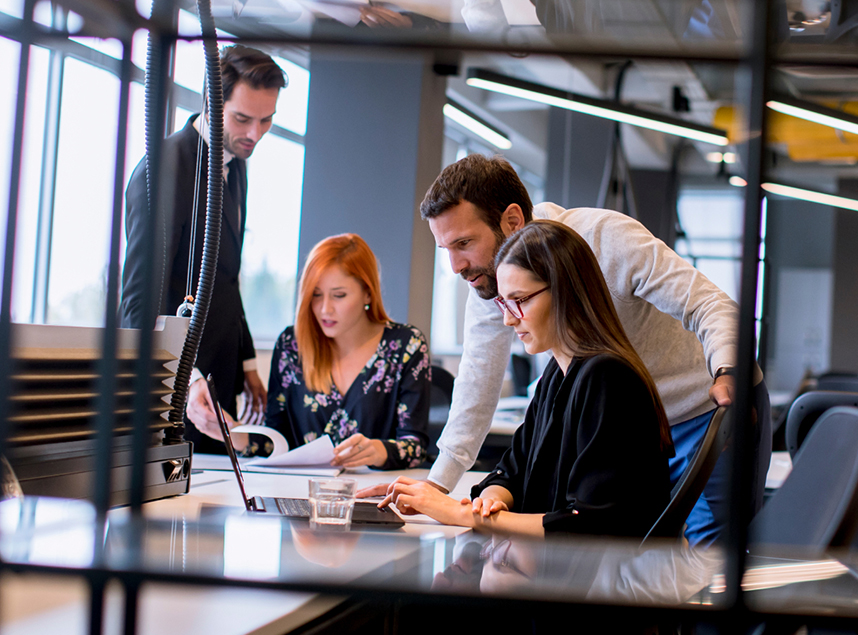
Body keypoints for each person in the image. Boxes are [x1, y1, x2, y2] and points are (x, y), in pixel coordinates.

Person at [364, 154, 771, 548]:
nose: (456, 266)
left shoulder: (607, 239)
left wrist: (728, 370)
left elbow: (709, 304)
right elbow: (476, 386)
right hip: (614, 427)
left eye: (464, 243)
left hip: (705, 407)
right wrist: (435, 488)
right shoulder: (495, 285)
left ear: (511, 220)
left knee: (708, 561)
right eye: (446, 250)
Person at [382, 221, 671, 537]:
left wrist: (461, 514)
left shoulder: (607, 377)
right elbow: (511, 470)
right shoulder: (557, 374)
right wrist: (490, 502)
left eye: (520, 300)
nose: (508, 319)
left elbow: (587, 524)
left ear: (566, 292)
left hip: (605, 568)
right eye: (504, 303)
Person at [120, 45, 286, 453]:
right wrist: (187, 379)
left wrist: (248, 361)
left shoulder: (235, 162)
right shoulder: (164, 169)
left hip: (219, 380)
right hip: (174, 390)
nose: (255, 134)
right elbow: (138, 306)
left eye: (266, 120)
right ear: (211, 102)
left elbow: (225, 276)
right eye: (242, 119)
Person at [237, 234, 431, 469]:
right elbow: (275, 442)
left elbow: (415, 447)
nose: (325, 309)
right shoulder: (291, 345)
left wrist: (381, 451)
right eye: (316, 295)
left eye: (339, 295)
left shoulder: (407, 346)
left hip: (375, 489)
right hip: (300, 488)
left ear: (368, 293)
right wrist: (230, 432)